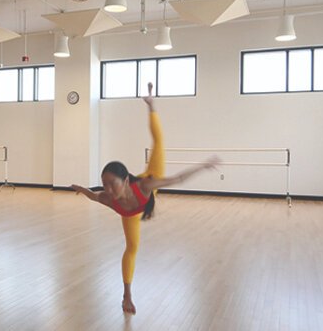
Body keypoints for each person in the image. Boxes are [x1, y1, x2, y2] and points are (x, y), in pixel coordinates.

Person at [71, 82, 219, 314]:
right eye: (105, 184)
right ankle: (126, 296)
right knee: (132, 248)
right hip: (131, 214)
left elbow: (178, 179)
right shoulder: (108, 199)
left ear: (126, 181)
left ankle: (151, 105)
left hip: (150, 183)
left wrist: (203, 166)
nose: (109, 189)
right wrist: (81, 189)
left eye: (113, 184)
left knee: (159, 143)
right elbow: (93, 195)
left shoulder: (146, 184)